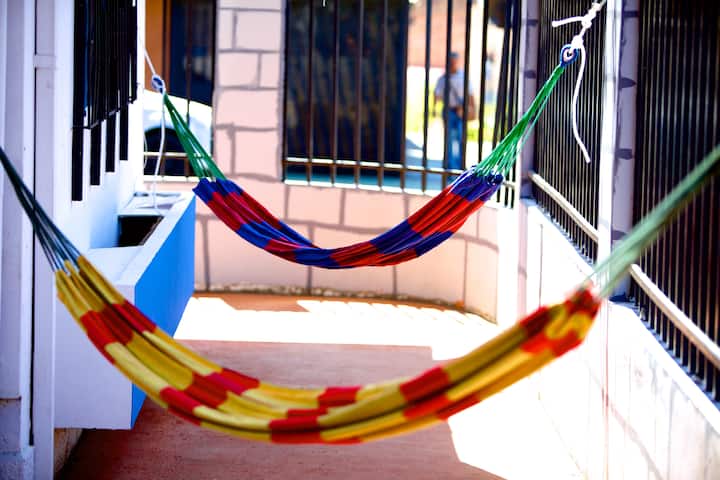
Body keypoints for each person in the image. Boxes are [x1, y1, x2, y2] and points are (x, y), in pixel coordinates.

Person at [433, 52, 476, 171]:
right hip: (448, 110)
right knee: (449, 140)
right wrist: (434, 109)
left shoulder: (463, 77)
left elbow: (471, 95)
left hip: (461, 110)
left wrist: (473, 110)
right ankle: (449, 166)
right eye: (451, 62)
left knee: (461, 138)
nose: (452, 64)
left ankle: (460, 165)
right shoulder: (442, 79)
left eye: (454, 62)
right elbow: (436, 95)